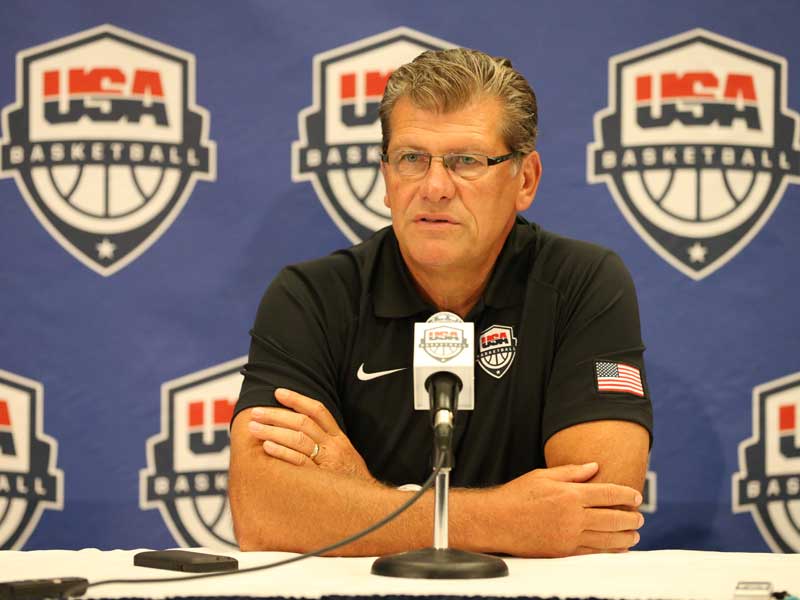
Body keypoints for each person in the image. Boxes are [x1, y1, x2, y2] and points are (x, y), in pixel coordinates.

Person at [228, 48, 652, 557]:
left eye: (466, 161)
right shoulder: (311, 297)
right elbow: (263, 513)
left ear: (525, 179)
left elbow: (599, 511)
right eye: (411, 159)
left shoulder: (582, 282)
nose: (434, 188)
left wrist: (357, 498)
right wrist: (503, 519)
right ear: (386, 176)